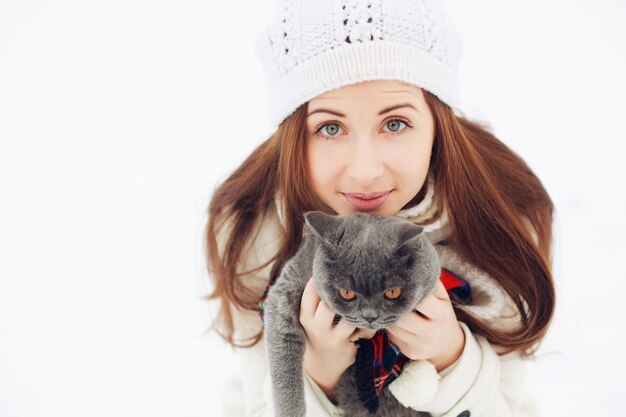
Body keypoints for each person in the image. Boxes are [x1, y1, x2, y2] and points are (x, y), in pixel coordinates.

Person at [204, 1, 555, 416]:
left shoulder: (499, 217)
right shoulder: (254, 227)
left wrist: (450, 359)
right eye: (330, 128)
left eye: (395, 124)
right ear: (294, 132)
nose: (365, 172)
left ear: (438, 121)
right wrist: (317, 375)